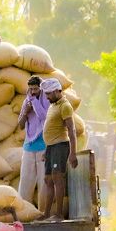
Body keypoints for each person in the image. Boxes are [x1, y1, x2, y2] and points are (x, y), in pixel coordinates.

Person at [39, 79, 78, 221]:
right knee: (48, 180)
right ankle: (47, 213)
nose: (47, 97)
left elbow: (72, 130)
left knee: (57, 178)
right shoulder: (53, 105)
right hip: (51, 148)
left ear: (57, 91)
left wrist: (73, 153)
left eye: (49, 94)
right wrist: (46, 150)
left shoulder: (65, 106)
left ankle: (59, 214)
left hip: (61, 146)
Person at [17, 76, 50, 209]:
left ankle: (43, 213)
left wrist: (35, 103)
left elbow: (44, 117)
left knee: (44, 183)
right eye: (31, 89)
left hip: (44, 146)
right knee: (25, 181)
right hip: (29, 147)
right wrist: (26, 111)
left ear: (41, 89)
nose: (33, 92)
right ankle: (23, 211)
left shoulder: (47, 101)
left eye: (35, 89)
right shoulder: (27, 102)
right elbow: (20, 125)